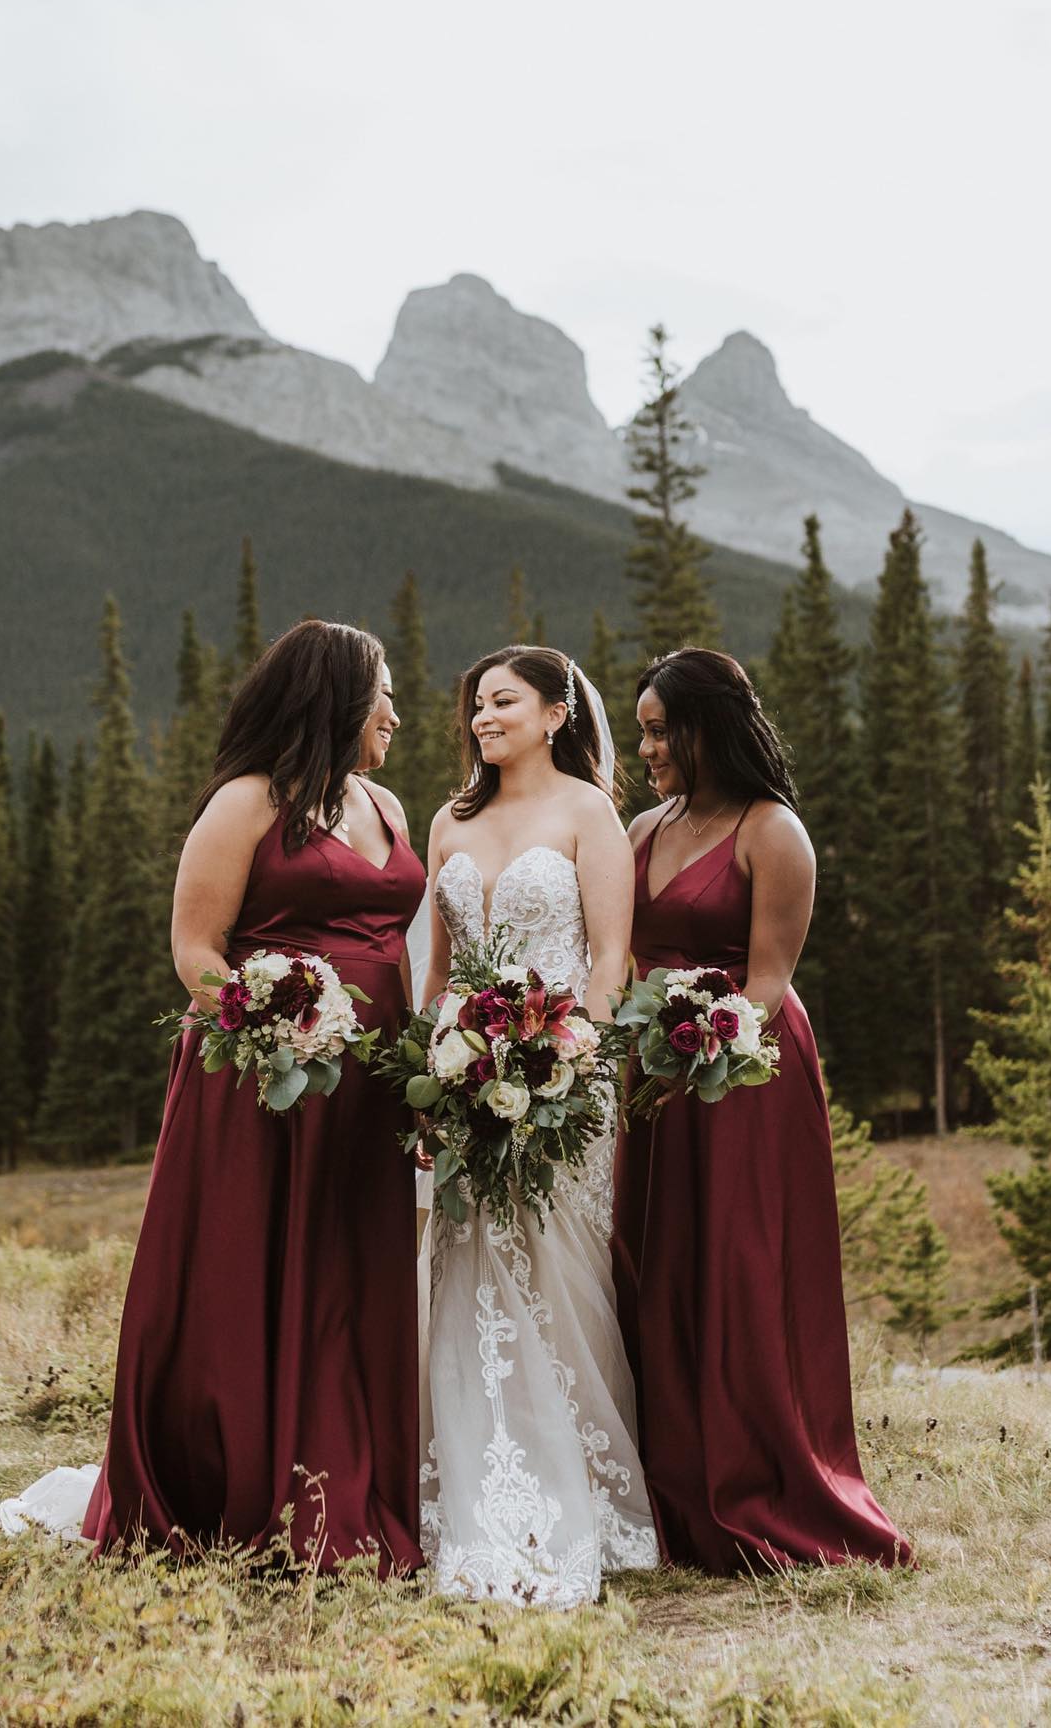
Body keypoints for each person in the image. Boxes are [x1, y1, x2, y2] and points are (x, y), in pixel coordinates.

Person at [0, 620, 426, 1575]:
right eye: (383, 693)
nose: (396, 712)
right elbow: (196, 949)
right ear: (337, 700)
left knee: (354, 1277)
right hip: (263, 1081)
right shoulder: (245, 803)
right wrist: (275, 1019)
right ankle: (240, 1482)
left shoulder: (386, 803)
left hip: (370, 1091)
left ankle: (351, 1482)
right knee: (254, 1269)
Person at [612, 646, 911, 1574]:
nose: (649, 749)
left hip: (746, 1074)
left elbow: (772, 981)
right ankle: (670, 1483)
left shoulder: (772, 831)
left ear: (707, 728)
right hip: (654, 1079)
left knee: (739, 1270)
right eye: (643, 733)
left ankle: (760, 1477)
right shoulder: (639, 832)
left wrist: (697, 1044)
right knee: (655, 1268)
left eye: (662, 731)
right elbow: (620, 957)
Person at [416, 645, 658, 1607]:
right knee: (464, 1269)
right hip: (461, 1080)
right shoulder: (447, 821)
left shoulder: (588, 814)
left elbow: (608, 965)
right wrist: (436, 1068)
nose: (483, 717)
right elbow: (436, 976)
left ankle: (583, 1486)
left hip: (563, 1082)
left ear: (557, 713)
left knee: (558, 1276)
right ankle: (461, 1476)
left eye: (504, 702)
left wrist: (567, 1064)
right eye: (476, 704)